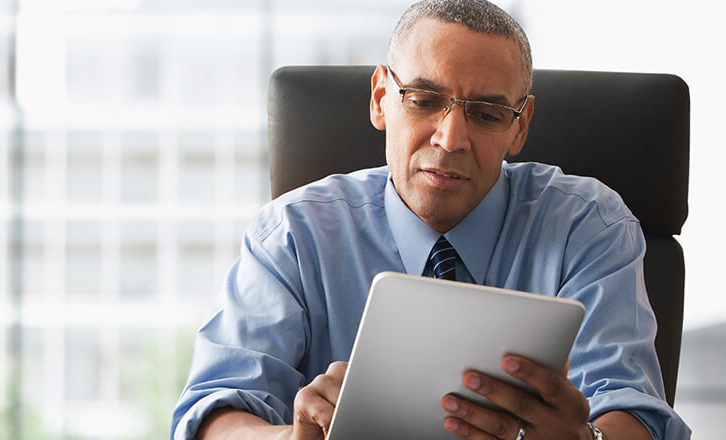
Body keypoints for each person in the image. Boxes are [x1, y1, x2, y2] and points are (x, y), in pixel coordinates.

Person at [171, 0, 691, 438]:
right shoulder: (293, 232)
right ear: (381, 99)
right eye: (423, 101)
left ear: (520, 127)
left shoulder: (589, 225)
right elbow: (215, 411)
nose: (451, 140)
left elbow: (634, 408)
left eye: (487, 114)